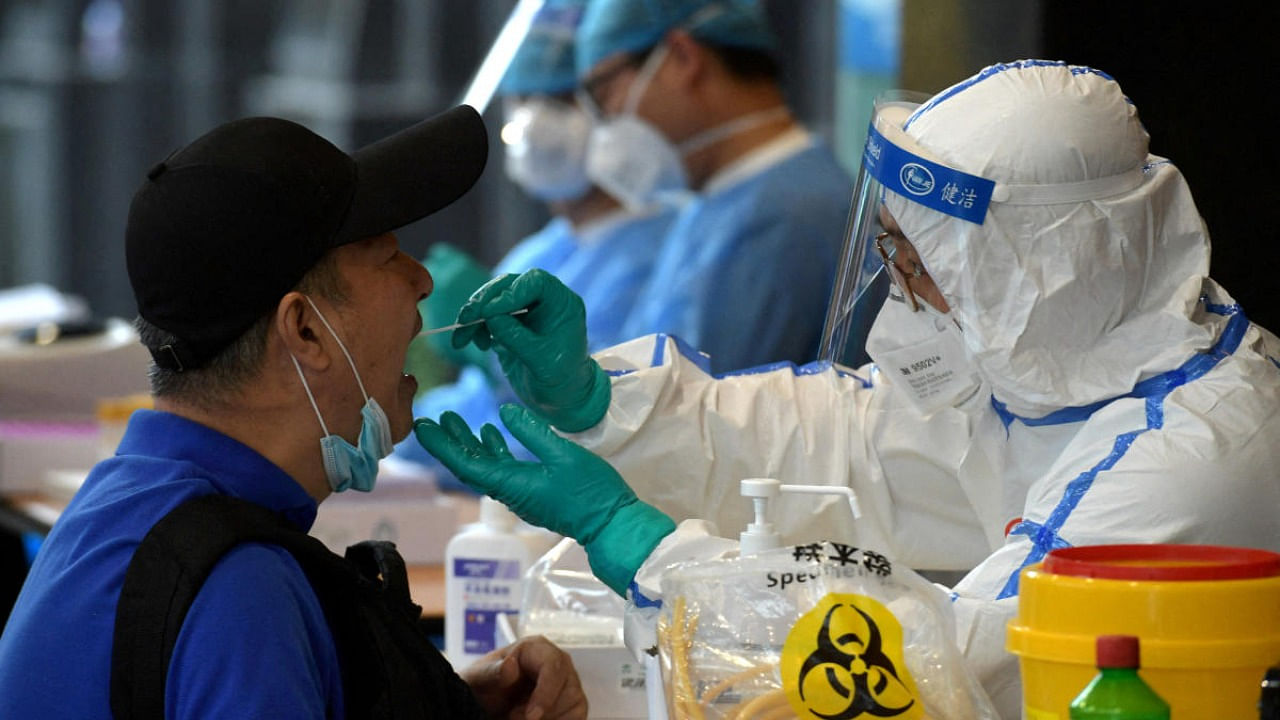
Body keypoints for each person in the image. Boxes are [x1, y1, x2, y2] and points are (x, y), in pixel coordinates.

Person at [414, 60, 1280, 718]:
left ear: (1044, 269)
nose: (900, 286)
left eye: (925, 260)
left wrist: (646, 549)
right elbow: (834, 440)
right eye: (893, 249)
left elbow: (943, 662)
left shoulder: (1192, 458)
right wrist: (603, 407)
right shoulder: (1050, 367)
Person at [0, 107, 588, 719]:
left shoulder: (127, 509)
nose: (422, 279)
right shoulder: (237, 588)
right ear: (306, 330)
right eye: (386, 254)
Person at [394, 0, 675, 473]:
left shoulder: (659, 252)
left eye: (561, 100)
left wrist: (502, 356)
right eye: (522, 100)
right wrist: (397, 434)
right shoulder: (542, 251)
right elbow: (476, 406)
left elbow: (609, 417)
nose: (533, 124)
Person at [573, 0, 853, 372]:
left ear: (682, 57)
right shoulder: (723, 201)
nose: (604, 126)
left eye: (604, 94)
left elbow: (688, 414)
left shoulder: (784, 218)